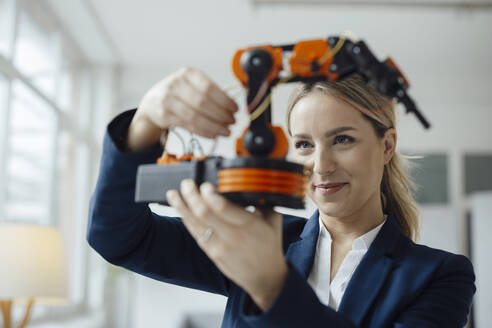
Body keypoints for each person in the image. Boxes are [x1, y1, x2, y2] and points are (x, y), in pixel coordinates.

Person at [87, 67, 475, 327]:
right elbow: (119, 237)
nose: (320, 166)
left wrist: (272, 284)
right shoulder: (261, 237)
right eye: (304, 144)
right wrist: (145, 124)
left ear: (387, 145)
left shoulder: (439, 276)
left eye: (342, 139)